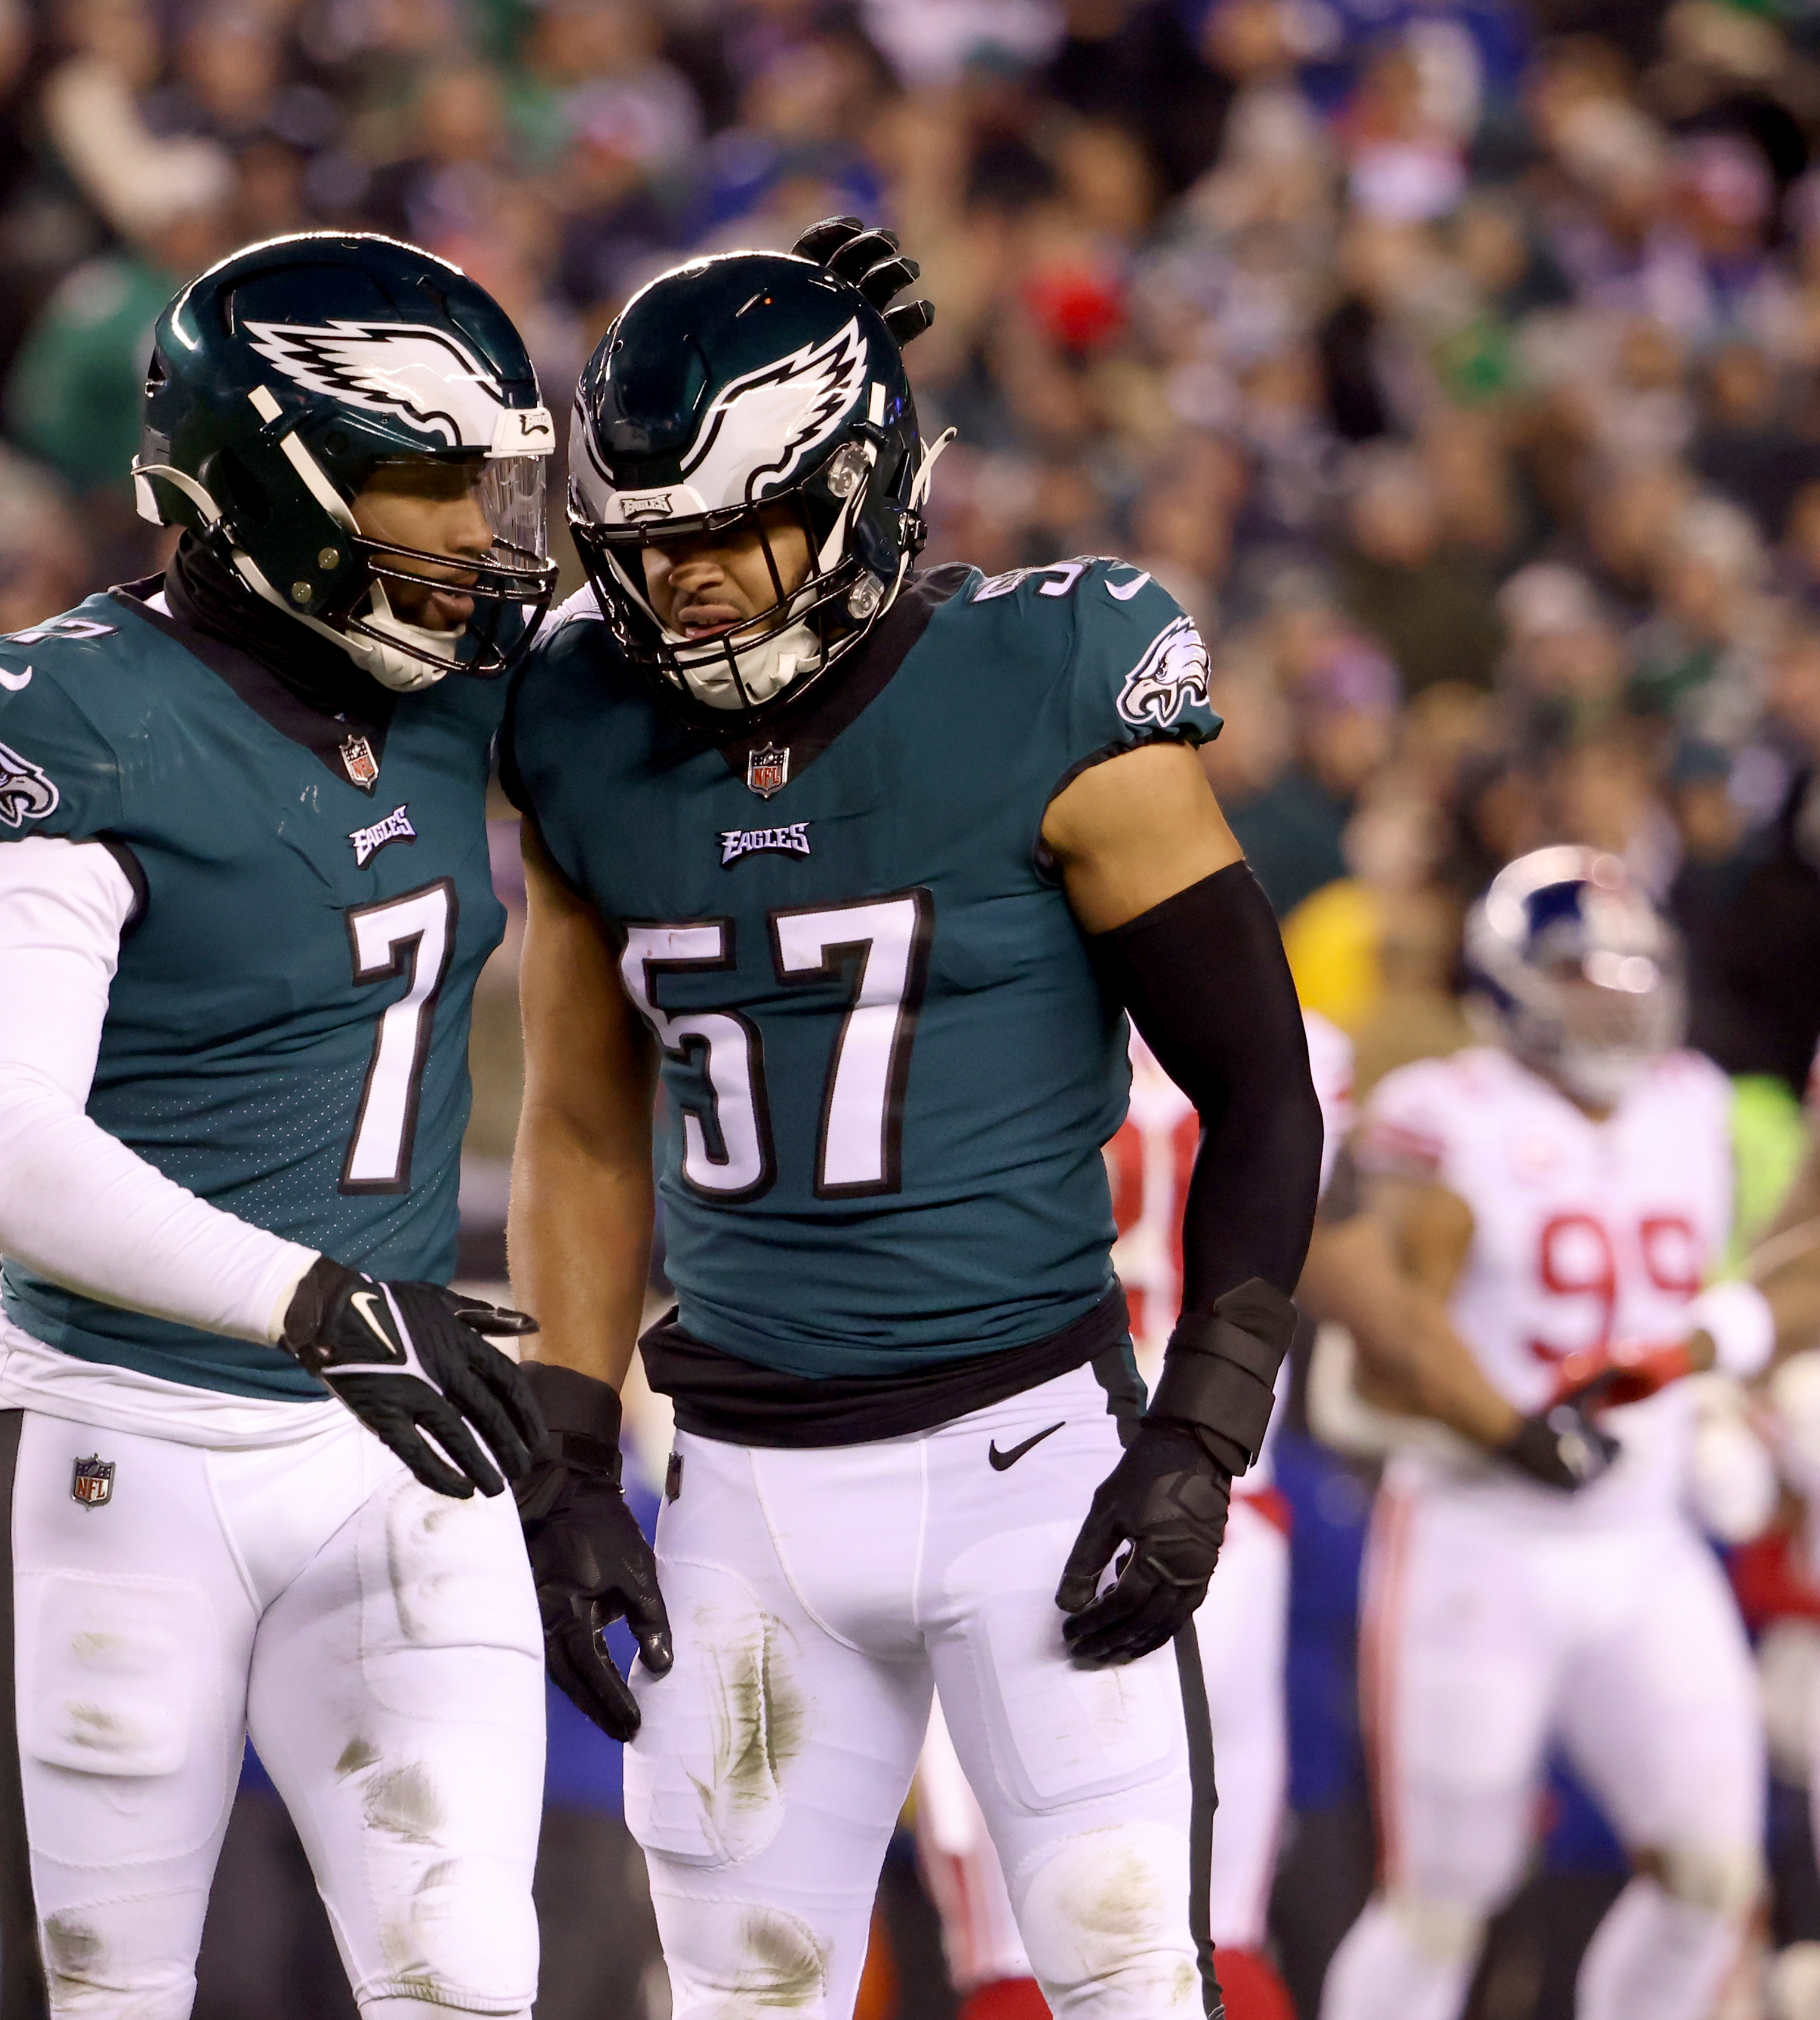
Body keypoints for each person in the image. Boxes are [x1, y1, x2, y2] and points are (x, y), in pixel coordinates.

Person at [504, 220, 1324, 2018]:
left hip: (1026, 1454)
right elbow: (573, 1114)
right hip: (732, 1485)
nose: (693, 585)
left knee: (1123, 1975)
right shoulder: (570, 715)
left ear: (860, 489)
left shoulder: (1050, 684)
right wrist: (567, 1449)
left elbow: (1258, 1088)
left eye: (732, 529)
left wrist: (1200, 1423)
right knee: (739, 1994)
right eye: (651, 544)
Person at [0, 231, 557, 2020]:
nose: (466, 535)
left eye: (477, 481)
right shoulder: (77, 722)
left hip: (391, 1436)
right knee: (95, 1994)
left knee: (468, 1979)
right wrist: (309, 1298)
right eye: (418, 482)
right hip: (127, 1435)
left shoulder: (462, 687)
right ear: (266, 481)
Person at [1314, 847, 1799, 2020]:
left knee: (1711, 1878)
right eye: (1587, 970)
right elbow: (1371, 1326)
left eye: (1637, 970)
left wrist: (1717, 1382)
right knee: (1440, 1896)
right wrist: (1503, 1425)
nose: (1616, 996)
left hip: (1647, 1542)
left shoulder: (1695, 1101)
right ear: (1515, 977)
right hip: (1482, 1542)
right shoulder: (1447, 1109)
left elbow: (1705, 1302)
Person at [915, 1010, 1356, 2020]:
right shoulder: (1293, 1041)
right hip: (1222, 1506)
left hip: (1011, 1499)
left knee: (1015, 1933)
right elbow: (1353, 1255)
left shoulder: (959, 1005)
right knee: (1213, 1921)